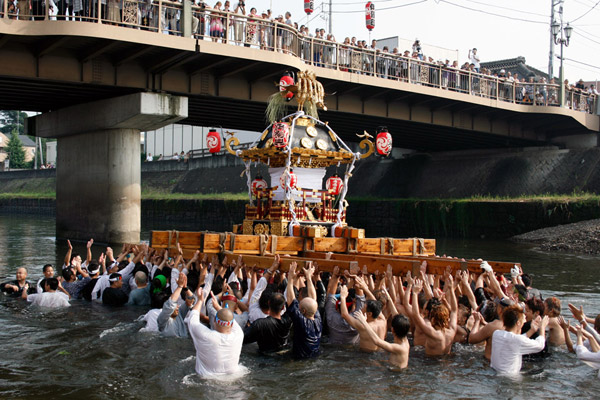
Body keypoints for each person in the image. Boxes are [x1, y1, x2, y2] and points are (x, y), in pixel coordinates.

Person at [186, 283, 245, 377]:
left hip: (207, 380)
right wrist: (218, 308)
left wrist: (200, 300)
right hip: (234, 378)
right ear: (232, 324)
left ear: (214, 321)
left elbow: (192, 318)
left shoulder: (206, 336)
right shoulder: (239, 334)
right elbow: (229, 319)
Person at [490, 305, 548, 375]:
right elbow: (540, 346)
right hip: (510, 380)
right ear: (518, 323)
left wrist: (532, 330)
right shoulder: (516, 340)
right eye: (523, 321)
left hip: (494, 374)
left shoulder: (496, 334)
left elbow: (514, 341)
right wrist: (542, 328)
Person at [286, 261, 322, 359]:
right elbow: (313, 299)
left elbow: (290, 301)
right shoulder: (318, 319)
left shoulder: (301, 321)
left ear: (303, 311)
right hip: (314, 358)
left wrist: (290, 279)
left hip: (300, 361)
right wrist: (308, 277)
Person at [244, 290, 292, 354]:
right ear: (283, 307)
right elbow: (292, 305)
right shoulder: (288, 322)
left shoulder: (260, 324)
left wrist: (247, 326)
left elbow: (243, 339)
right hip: (283, 357)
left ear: (269, 303)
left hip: (265, 359)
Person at [157, 272, 194, 337]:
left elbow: (191, 300)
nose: (177, 306)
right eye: (175, 305)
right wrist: (180, 286)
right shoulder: (162, 319)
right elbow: (170, 304)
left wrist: (185, 288)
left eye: (176, 304)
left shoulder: (179, 314)